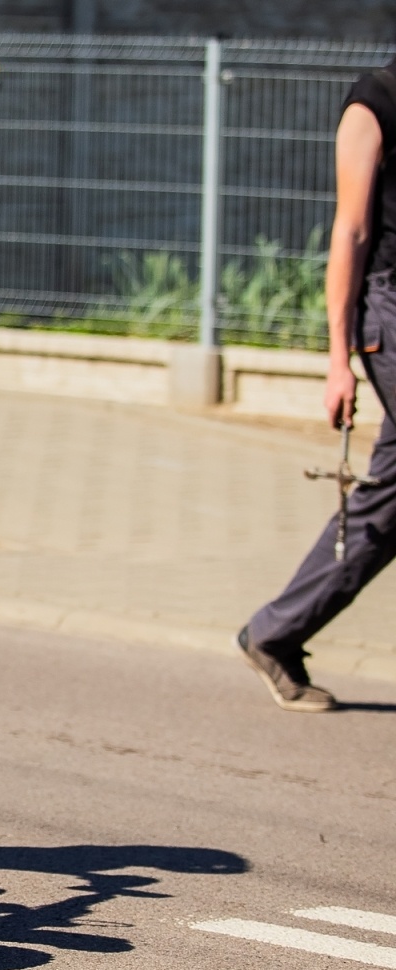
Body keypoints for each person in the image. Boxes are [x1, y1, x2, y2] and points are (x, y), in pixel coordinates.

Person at [238, 62, 396, 713]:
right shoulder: (377, 99)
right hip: (390, 306)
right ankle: (276, 631)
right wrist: (338, 360)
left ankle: (276, 632)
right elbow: (351, 229)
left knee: (387, 506)